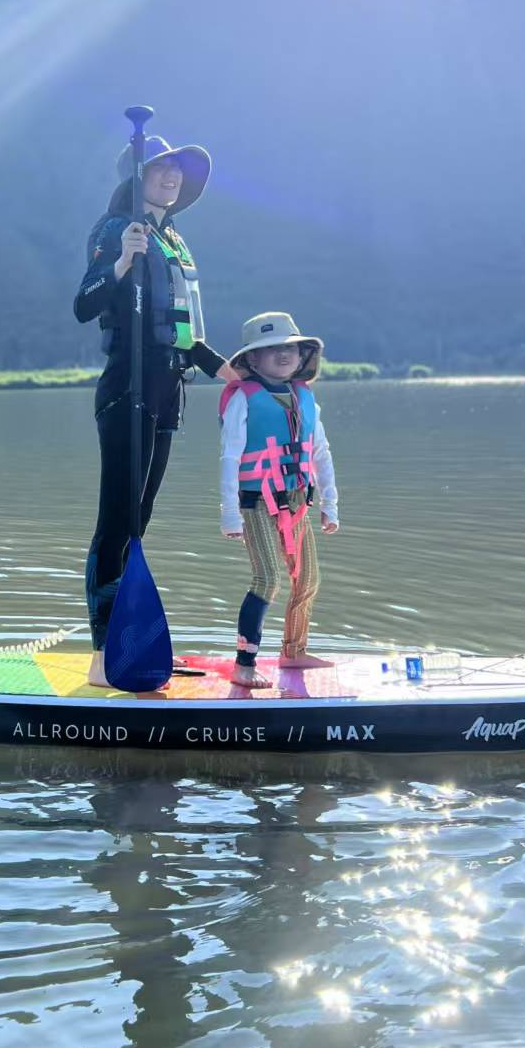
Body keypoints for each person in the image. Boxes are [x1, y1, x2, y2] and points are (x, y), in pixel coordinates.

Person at [74, 134, 238, 686]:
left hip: (169, 390)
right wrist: (122, 261)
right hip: (128, 387)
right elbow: (85, 303)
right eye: (160, 169)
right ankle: (102, 654)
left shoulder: (174, 240)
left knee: (140, 519)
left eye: (177, 172)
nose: (171, 177)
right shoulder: (115, 228)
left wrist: (233, 374)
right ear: (136, 175)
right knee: (117, 521)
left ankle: (126, 637)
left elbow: (186, 332)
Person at [218, 313, 339, 687]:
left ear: (301, 354)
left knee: (308, 579)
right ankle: (244, 663)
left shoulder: (305, 398)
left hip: (297, 502)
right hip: (257, 503)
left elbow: (320, 452)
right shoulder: (243, 399)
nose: (283, 354)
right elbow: (230, 457)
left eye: (289, 347)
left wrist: (330, 504)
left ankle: (294, 651)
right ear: (252, 360)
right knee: (267, 578)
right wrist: (229, 516)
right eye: (271, 349)